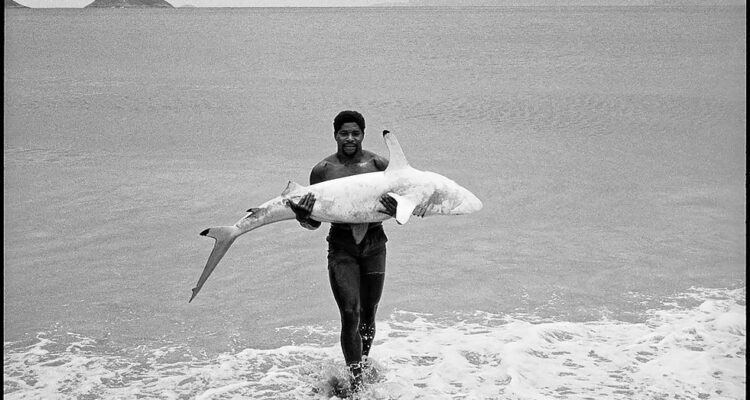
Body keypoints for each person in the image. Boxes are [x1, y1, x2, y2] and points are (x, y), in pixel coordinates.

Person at [287, 110, 397, 393]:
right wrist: (302, 216)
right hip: (341, 245)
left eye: (355, 133)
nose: (350, 138)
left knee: (369, 314)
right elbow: (314, 221)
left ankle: (360, 363)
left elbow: (400, 206)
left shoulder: (379, 164)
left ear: (363, 134)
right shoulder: (322, 170)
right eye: (344, 133)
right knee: (351, 313)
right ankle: (357, 384)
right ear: (335, 135)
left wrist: (397, 211)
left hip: (375, 243)